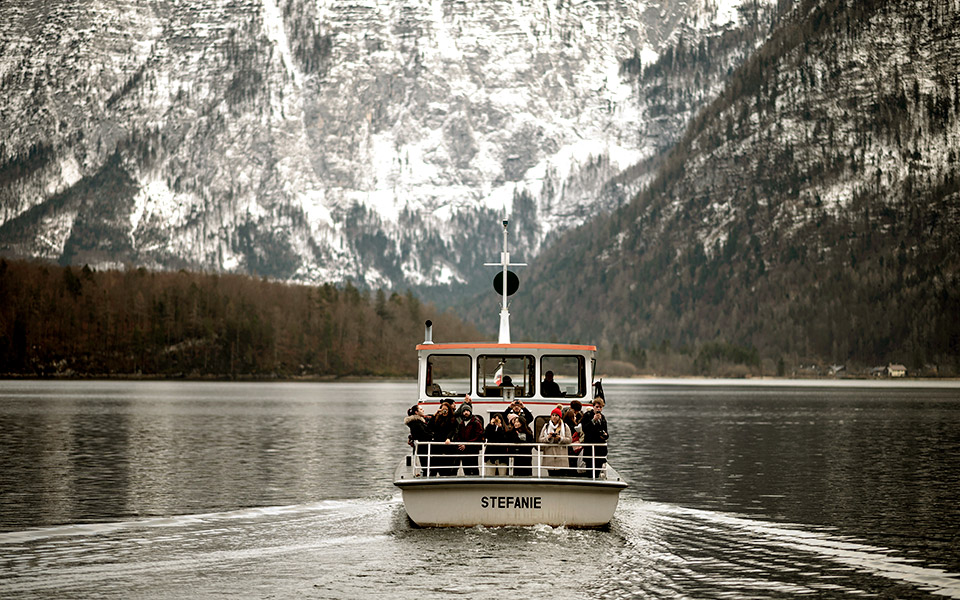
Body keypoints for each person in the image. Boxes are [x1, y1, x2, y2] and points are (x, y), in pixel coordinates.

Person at [538, 405, 572, 476]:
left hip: (561, 456)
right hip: (549, 456)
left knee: (561, 476)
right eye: (553, 415)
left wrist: (560, 438)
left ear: (559, 417)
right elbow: (540, 439)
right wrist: (548, 437)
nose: (554, 417)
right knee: (551, 475)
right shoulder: (546, 426)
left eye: (556, 415)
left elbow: (569, 439)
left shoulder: (565, 426)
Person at [580, 397, 609, 479]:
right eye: (597, 407)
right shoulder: (587, 415)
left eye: (600, 407)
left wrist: (604, 435)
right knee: (589, 469)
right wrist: (593, 420)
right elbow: (585, 429)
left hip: (600, 448)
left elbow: (606, 433)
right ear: (593, 407)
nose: (598, 409)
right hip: (590, 447)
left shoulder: (603, 418)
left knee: (598, 469)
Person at [428, 403, 458, 477]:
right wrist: (435, 415)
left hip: (447, 443)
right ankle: (432, 476)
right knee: (435, 462)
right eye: (443, 409)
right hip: (437, 442)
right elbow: (430, 427)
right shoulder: (437, 418)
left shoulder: (452, 419)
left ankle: (445, 475)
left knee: (446, 463)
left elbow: (453, 430)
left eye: (446, 409)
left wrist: (448, 438)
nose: (445, 411)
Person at [454, 404, 484, 476]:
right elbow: (459, 435)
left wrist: (467, 444)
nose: (466, 413)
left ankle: (475, 482)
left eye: (467, 411)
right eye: (464, 411)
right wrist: (460, 444)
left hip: (473, 449)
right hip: (463, 450)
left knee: (474, 467)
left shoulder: (476, 422)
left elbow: (478, 436)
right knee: (465, 467)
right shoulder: (461, 423)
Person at [405, 404, 431, 476]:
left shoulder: (419, 421)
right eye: (421, 409)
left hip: (423, 447)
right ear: (416, 412)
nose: (423, 411)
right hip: (423, 447)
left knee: (425, 463)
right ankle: (426, 473)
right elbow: (422, 434)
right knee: (425, 463)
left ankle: (426, 472)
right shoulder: (416, 423)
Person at [563, 406, 583, 476]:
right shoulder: (573, 427)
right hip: (572, 451)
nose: (576, 418)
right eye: (574, 416)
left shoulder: (564, 426)